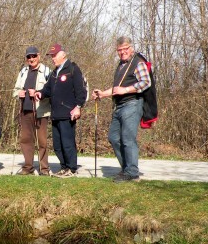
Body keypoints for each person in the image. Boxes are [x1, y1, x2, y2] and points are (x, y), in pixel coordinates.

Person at [92, 36, 151, 182]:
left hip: (132, 104)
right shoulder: (121, 66)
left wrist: (126, 90)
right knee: (113, 137)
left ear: (131, 48)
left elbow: (145, 83)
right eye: (119, 50)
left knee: (127, 138)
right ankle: (126, 169)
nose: (122, 52)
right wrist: (102, 94)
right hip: (119, 106)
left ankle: (132, 173)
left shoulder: (138, 62)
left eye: (125, 49)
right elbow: (116, 89)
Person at [35, 44, 86, 178]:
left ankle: (71, 168)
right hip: (56, 113)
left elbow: (81, 91)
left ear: (63, 55)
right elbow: (47, 89)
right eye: (51, 56)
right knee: (57, 144)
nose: (52, 58)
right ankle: (64, 167)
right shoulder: (54, 73)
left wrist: (78, 107)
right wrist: (40, 94)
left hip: (68, 113)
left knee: (67, 143)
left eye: (54, 55)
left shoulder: (73, 69)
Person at [13, 46, 51, 175]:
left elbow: (51, 91)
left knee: (42, 141)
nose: (31, 59)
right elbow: (15, 90)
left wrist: (38, 92)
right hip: (25, 110)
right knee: (26, 140)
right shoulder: (23, 71)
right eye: (29, 57)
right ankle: (28, 167)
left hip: (41, 112)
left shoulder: (47, 71)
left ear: (39, 56)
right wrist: (19, 93)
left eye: (34, 56)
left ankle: (44, 169)